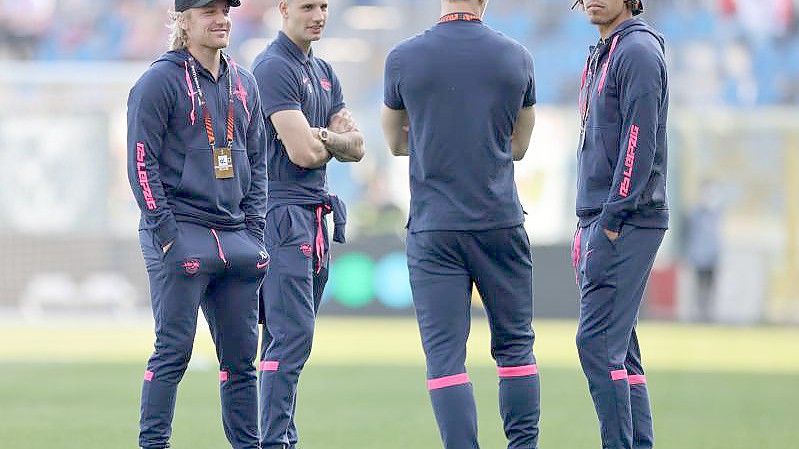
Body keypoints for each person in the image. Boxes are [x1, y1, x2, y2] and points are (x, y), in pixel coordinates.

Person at [382, 1, 540, 448]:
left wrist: (436, 135)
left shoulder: (405, 57)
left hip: (435, 226)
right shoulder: (516, 57)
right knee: (515, 349)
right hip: (499, 221)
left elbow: (395, 143)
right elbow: (520, 145)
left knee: (446, 359)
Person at [126, 1, 268, 448]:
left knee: (243, 362)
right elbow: (140, 163)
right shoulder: (158, 81)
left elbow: (260, 163)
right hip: (181, 231)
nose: (220, 18)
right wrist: (166, 236)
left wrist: (255, 232)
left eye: (224, 9)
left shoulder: (244, 82)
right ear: (183, 22)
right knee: (173, 353)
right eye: (208, 10)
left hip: (235, 236)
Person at [251, 1, 365, 448]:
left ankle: (275, 436)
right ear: (283, 8)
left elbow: (356, 147)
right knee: (292, 335)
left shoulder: (324, 72)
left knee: (286, 337)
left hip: (313, 215)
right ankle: (274, 440)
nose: (318, 14)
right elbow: (303, 153)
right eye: (307, 6)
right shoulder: (273, 67)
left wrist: (326, 138)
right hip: (281, 214)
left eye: (323, 6)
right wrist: (330, 139)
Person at [570, 1, 669, 448]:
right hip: (603, 215)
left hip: (624, 218)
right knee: (619, 350)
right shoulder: (607, 50)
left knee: (597, 343)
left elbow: (638, 137)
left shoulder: (637, 53)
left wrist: (612, 215)